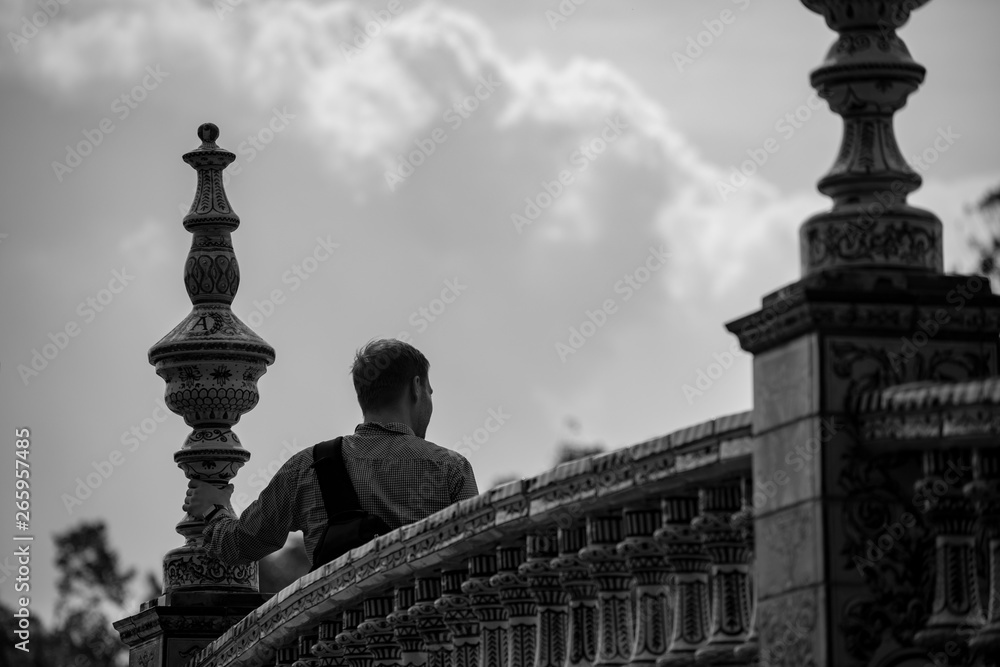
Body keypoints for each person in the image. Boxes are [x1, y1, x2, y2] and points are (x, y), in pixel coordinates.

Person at [183, 338, 479, 567]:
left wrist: (214, 509)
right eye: (430, 391)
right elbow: (478, 552)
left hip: (338, 641)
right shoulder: (451, 468)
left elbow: (240, 546)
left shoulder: (307, 467)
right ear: (416, 387)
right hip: (429, 639)